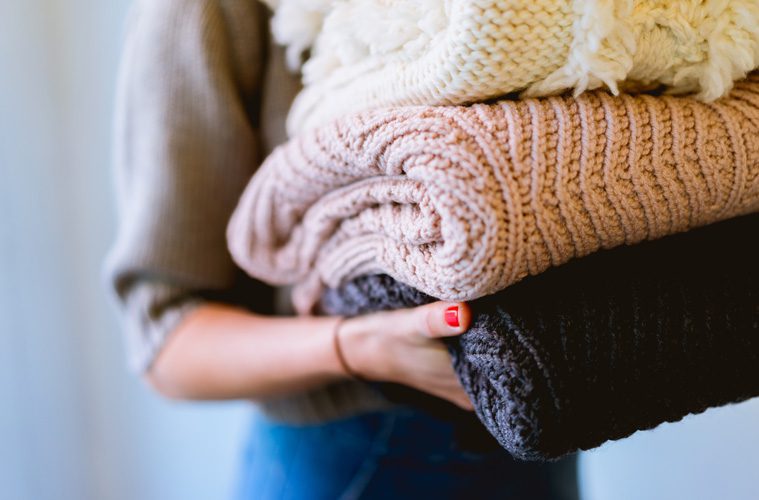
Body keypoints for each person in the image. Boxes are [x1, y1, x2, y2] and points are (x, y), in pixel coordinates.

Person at [106, 0, 578, 498]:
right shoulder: (202, 12)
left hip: (539, 426)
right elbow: (166, 344)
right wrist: (356, 347)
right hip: (361, 454)